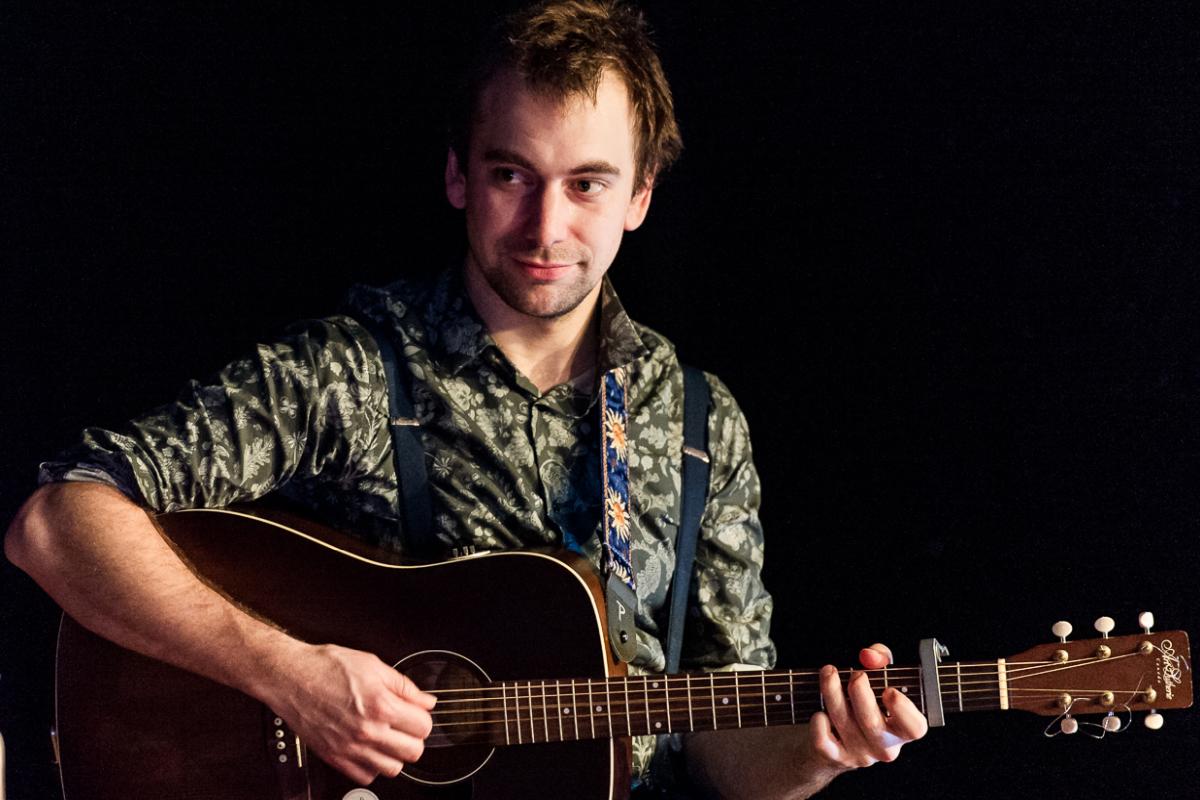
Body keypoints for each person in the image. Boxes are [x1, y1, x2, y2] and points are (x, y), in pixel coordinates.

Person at [4, 1, 926, 797]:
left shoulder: (696, 423)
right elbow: (56, 523)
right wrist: (293, 677)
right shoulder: (353, 372)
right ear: (459, 175)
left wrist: (823, 753)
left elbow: (726, 740)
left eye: (588, 184)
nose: (544, 227)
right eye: (510, 174)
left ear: (640, 196)